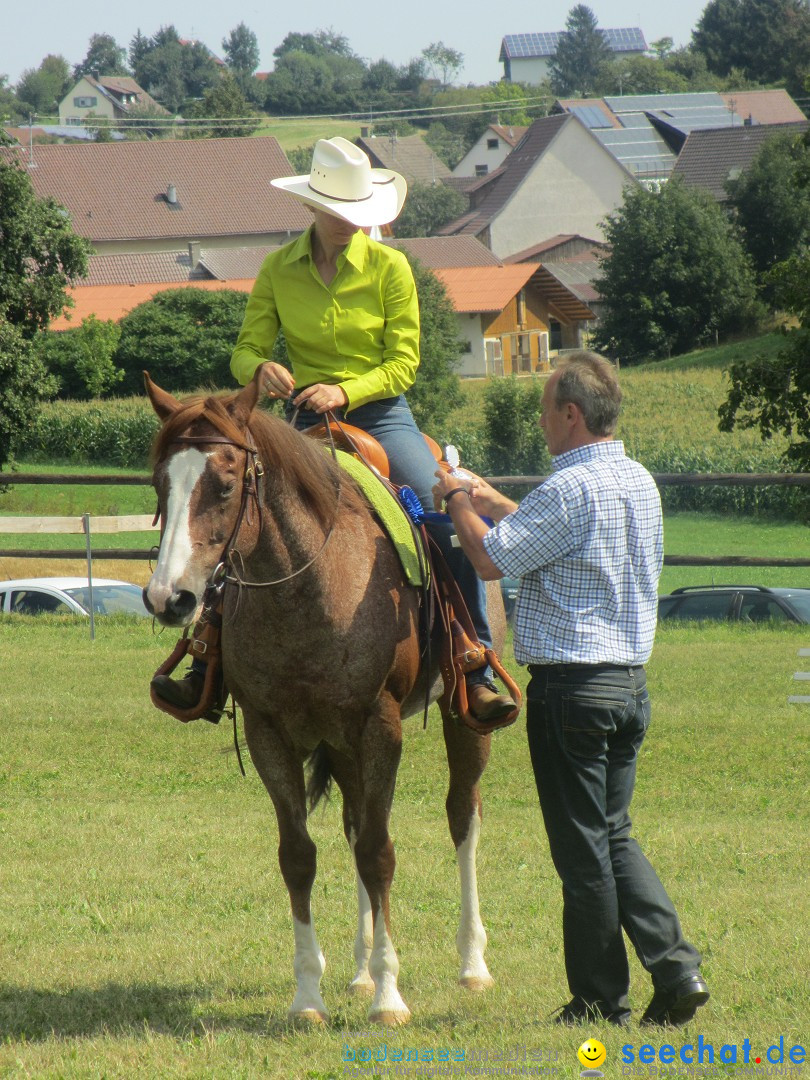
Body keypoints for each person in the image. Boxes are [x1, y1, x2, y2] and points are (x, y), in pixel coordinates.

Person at [152, 137, 515, 725]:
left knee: (443, 512)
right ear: (312, 207)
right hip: (298, 421)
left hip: (382, 416)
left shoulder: (392, 267)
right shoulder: (277, 268)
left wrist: (346, 391)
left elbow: (405, 361)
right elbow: (245, 352)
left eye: (358, 212)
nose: (351, 223)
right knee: (242, 515)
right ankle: (206, 661)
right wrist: (259, 370)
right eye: (340, 211)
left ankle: (473, 661)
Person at [432, 352, 709, 1027]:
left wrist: (457, 497)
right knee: (614, 836)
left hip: (570, 693)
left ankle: (598, 1001)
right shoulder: (637, 481)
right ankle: (676, 970)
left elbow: (492, 556)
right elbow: (542, 528)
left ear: (571, 413)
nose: (543, 425)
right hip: (627, 687)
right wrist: (490, 495)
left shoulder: (567, 491)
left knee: (584, 856)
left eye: (546, 413)